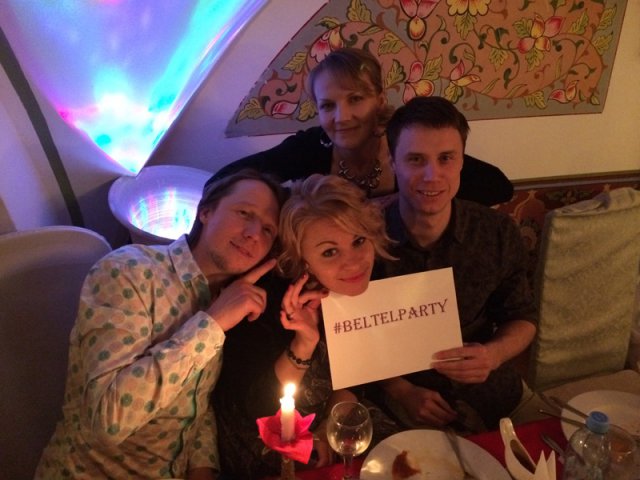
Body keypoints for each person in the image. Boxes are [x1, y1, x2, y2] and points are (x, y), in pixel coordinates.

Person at [35, 170, 287, 480]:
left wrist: (203, 468)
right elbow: (108, 421)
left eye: (268, 229)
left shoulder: (225, 299)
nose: (253, 233)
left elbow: (194, 402)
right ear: (206, 212)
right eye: (244, 213)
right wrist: (213, 323)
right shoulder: (129, 270)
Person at [212, 174, 400, 479]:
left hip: (331, 415)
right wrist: (304, 342)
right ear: (300, 259)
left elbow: (354, 376)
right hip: (262, 435)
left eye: (358, 241)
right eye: (329, 252)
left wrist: (331, 424)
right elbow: (259, 406)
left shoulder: (365, 283)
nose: (354, 262)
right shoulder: (261, 304)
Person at [371, 96, 538, 432]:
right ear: (393, 162)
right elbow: (351, 336)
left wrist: (493, 354)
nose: (432, 175)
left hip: (489, 390)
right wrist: (399, 390)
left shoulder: (497, 231)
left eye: (446, 158)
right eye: (416, 159)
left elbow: (523, 317)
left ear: (462, 160)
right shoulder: (364, 237)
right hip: (395, 396)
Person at [208, 47, 513, 206]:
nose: (341, 117)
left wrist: (399, 201)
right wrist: (293, 205)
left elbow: (498, 187)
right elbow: (222, 181)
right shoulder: (311, 147)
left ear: (379, 100)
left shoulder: (404, 140)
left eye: (355, 99)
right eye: (328, 105)